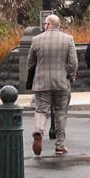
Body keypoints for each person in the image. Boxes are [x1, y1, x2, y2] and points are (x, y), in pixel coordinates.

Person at [27, 14, 78, 156]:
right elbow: (73, 63)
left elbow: (30, 62)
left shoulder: (36, 40)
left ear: (48, 24)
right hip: (61, 82)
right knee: (61, 113)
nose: (44, 25)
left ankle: (38, 130)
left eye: (44, 23)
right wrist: (70, 76)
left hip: (42, 82)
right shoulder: (68, 39)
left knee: (41, 110)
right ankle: (60, 145)